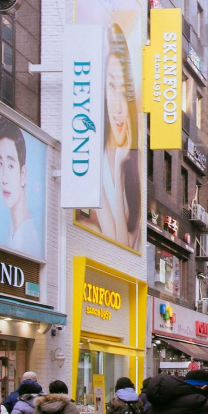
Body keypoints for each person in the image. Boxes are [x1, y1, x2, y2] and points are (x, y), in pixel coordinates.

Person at [82, 24, 142, 251]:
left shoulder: (133, 165)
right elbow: (116, 240)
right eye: (111, 86)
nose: (117, 105)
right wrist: (116, 167)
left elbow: (125, 244)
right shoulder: (90, 151)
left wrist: (120, 165)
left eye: (124, 92)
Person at [0, 116, 41, 257]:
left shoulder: (29, 241)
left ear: (23, 174)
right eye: (0, 164)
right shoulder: (12, 232)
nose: (4, 178)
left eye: (11, 165)